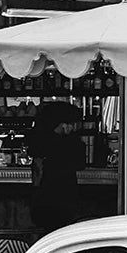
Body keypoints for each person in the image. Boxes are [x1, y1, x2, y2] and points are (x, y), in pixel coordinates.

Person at [28, 100, 85, 235]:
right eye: (71, 124)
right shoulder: (72, 143)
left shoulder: (39, 139)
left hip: (43, 195)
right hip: (65, 195)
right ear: (63, 124)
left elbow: (36, 166)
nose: (73, 127)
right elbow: (80, 164)